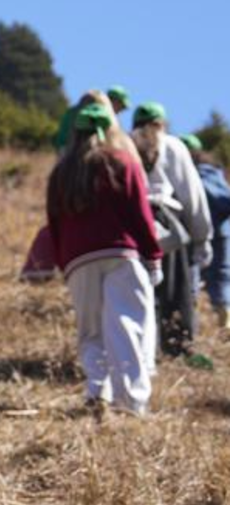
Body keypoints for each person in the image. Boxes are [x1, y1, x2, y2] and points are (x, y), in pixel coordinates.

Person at [45, 103, 162, 414]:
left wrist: (63, 261)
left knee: (91, 331)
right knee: (126, 326)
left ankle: (98, 392)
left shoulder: (62, 171)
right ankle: (132, 402)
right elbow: (140, 212)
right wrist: (153, 255)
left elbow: (53, 222)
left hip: (78, 259)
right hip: (121, 253)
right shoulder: (123, 161)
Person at [130, 102, 213, 357]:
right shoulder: (174, 146)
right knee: (175, 293)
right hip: (169, 226)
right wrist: (202, 238)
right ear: (162, 123)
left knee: (138, 291)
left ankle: (141, 352)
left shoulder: (126, 144)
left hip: (135, 223)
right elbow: (192, 194)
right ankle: (177, 348)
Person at [185, 135, 230, 330]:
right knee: (221, 279)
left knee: (193, 281)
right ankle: (224, 327)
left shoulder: (195, 174)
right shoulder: (214, 173)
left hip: (198, 235)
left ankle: (193, 328)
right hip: (220, 233)